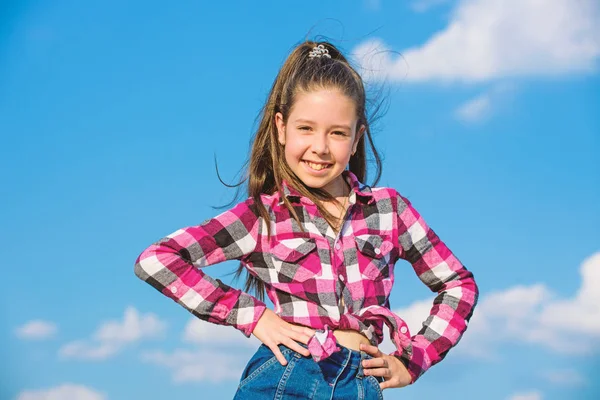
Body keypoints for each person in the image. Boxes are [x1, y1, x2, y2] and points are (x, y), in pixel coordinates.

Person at [134, 41, 479, 399]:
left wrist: (414, 359)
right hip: (284, 378)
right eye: (306, 129)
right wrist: (253, 315)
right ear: (281, 128)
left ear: (357, 138)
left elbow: (458, 285)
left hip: (360, 383)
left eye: (338, 133)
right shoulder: (262, 216)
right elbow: (157, 260)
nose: (321, 147)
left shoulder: (389, 210)